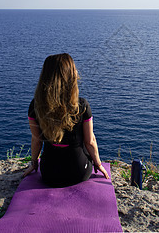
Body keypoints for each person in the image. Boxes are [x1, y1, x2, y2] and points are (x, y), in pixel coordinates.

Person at [23, 53, 109, 187]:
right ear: (71, 77)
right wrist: (98, 164)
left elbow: (36, 141)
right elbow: (90, 141)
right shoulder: (81, 106)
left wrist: (34, 164)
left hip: (49, 174)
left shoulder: (36, 106)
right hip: (79, 173)